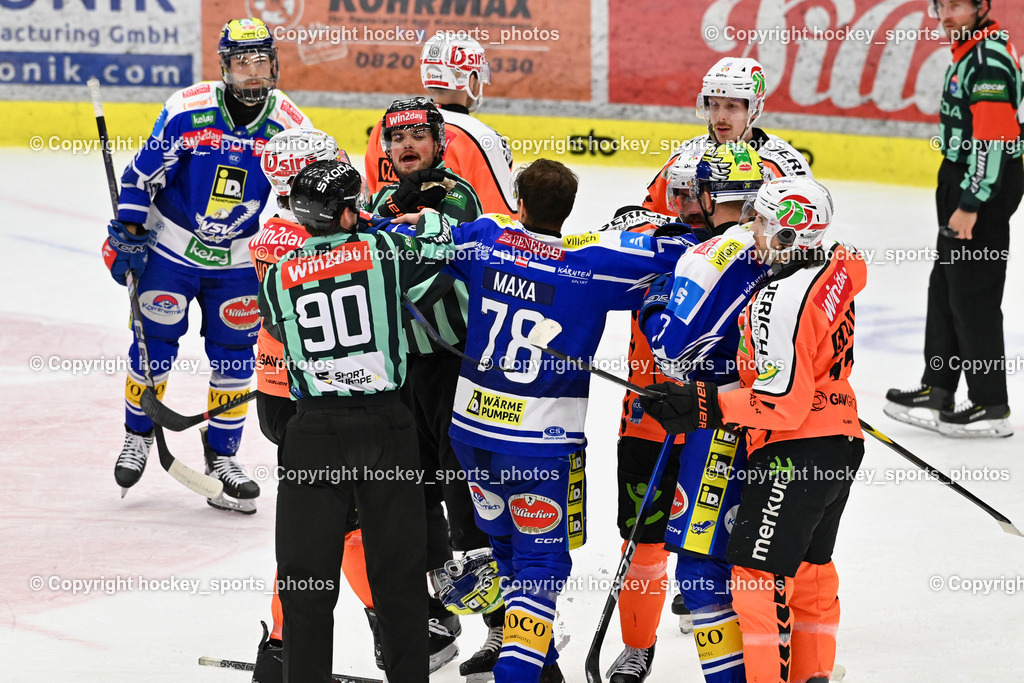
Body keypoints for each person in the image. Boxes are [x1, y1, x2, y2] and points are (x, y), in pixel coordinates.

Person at [440, 159, 696, 683]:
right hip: (538, 445)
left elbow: (429, 237)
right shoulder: (593, 261)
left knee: (507, 549)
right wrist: (644, 226)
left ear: (520, 203)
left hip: (471, 437)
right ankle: (520, 673)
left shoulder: (489, 236)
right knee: (542, 569)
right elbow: (682, 256)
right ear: (569, 210)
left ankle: (546, 669)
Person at [642, 177, 866, 683]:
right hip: (842, 439)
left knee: (758, 583)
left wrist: (706, 402)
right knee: (810, 576)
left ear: (788, 235)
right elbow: (853, 270)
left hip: (793, 449)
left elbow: (782, 404)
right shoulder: (840, 260)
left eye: (762, 222)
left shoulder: (777, 300)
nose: (752, 229)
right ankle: (814, 676)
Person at [103, 17, 311, 513]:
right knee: (153, 348)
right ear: (224, 68)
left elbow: (308, 193)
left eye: (262, 62)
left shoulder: (289, 125)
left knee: (236, 359)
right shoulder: (187, 111)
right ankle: (138, 435)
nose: (254, 75)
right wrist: (130, 235)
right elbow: (138, 179)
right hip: (173, 248)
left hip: (238, 259)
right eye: (243, 64)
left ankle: (222, 455)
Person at [257, 159, 453, 683]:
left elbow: (280, 321)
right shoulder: (383, 253)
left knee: (305, 583)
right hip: (387, 428)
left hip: (313, 432)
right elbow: (441, 243)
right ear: (346, 214)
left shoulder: (276, 277)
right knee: (398, 578)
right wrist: (419, 216)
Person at [608, 142, 770, 683]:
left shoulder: (748, 253)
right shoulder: (648, 244)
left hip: (714, 421)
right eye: (673, 192)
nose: (684, 202)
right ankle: (638, 646)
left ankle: (765, 659)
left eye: (690, 191)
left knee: (719, 555)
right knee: (645, 539)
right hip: (651, 415)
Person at [244, 128, 378, 683]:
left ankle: (282, 649)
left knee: (330, 523)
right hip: (313, 399)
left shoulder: (271, 232)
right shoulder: (311, 242)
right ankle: (391, 624)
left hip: (277, 395)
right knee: (334, 525)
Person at [365, 96, 490, 674]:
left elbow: (438, 221)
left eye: (418, 133)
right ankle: (439, 614)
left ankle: (501, 624)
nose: (408, 144)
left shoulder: (451, 192)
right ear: (386, 147)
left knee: (463, 488)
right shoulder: (379, 202)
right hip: (400, 369)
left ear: (439, 143)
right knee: (412, 493)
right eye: (397, 137)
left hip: (451, 364)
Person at [885, 0, 1022, 438]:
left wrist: (972, 201)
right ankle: (938, 387)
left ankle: (989, 404)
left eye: (959, 5)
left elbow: (995, 139)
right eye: (943, 5)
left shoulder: (987, 60)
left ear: (982, 8)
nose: (947, 14)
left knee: (973, 293)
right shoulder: (970, 51)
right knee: (946, 284)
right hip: (962, 178)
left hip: (980, 185)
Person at [364, 32, 517, 217]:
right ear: (471, 79)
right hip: (448, 243)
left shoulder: (386, 126)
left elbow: (375, 202)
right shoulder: (481, 138)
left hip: (389, 242)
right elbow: (499, 219)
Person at [642, 57, 811, 218]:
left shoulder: (783, 166)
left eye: (732, 106)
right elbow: (652, 212)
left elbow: (800, 231)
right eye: (714, 105)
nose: (720, 116)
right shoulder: (685, 155)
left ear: (754, 109)